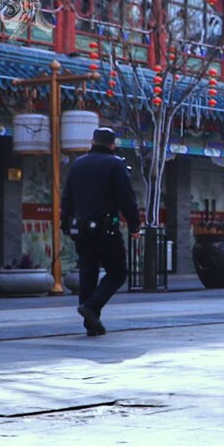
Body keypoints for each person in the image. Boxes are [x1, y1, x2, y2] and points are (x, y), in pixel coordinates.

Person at [60, 126, 141, 336]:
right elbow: (126, 198)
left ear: (92, 141)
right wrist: (134, 226)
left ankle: (91, 325)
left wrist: (65, 224)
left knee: (88, 272)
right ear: (112, 144)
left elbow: (67, 197)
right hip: (106, 228)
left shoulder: (77, 164)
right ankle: (92, 307)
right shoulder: (115, 164)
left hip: (81, 229)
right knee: (118, 271)